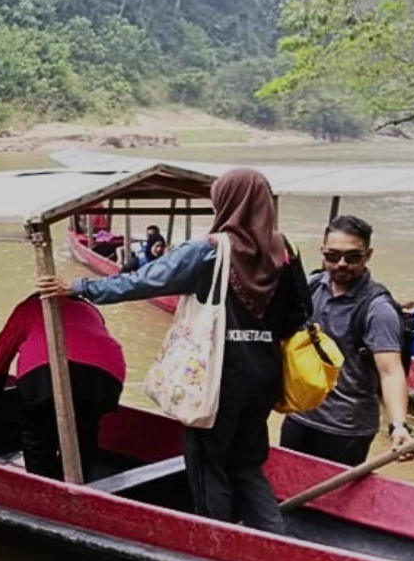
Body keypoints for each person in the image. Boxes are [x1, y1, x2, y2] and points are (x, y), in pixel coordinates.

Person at [38, 168, 308, 535]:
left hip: (216, 378)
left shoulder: (209, 251)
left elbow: (143, 281)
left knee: (207, 463)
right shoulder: (285, 251)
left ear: (226, 202)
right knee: (246, 464)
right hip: (265, 376)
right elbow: (299, 314)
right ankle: (275, 540)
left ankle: (218, 545)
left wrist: (80, 287)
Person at [280, 216, 414, 466]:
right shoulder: (309, 289)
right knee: (285, 495)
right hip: (299, 416)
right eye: (333, 256)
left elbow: (391, 371)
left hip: (345, 428)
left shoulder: (378, 309)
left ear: (368, 255)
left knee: (329, 502)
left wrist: (398, 425)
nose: (342, 264)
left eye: (353, 257)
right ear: (322, 252)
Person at [0, 294, 125, 480]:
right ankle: (78, 485)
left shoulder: (29, 307)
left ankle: (43, 487)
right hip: (104, 376)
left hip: (45, 370)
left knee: (38, 434)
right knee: (84, 429)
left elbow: (3, 349)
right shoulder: (90, 310)